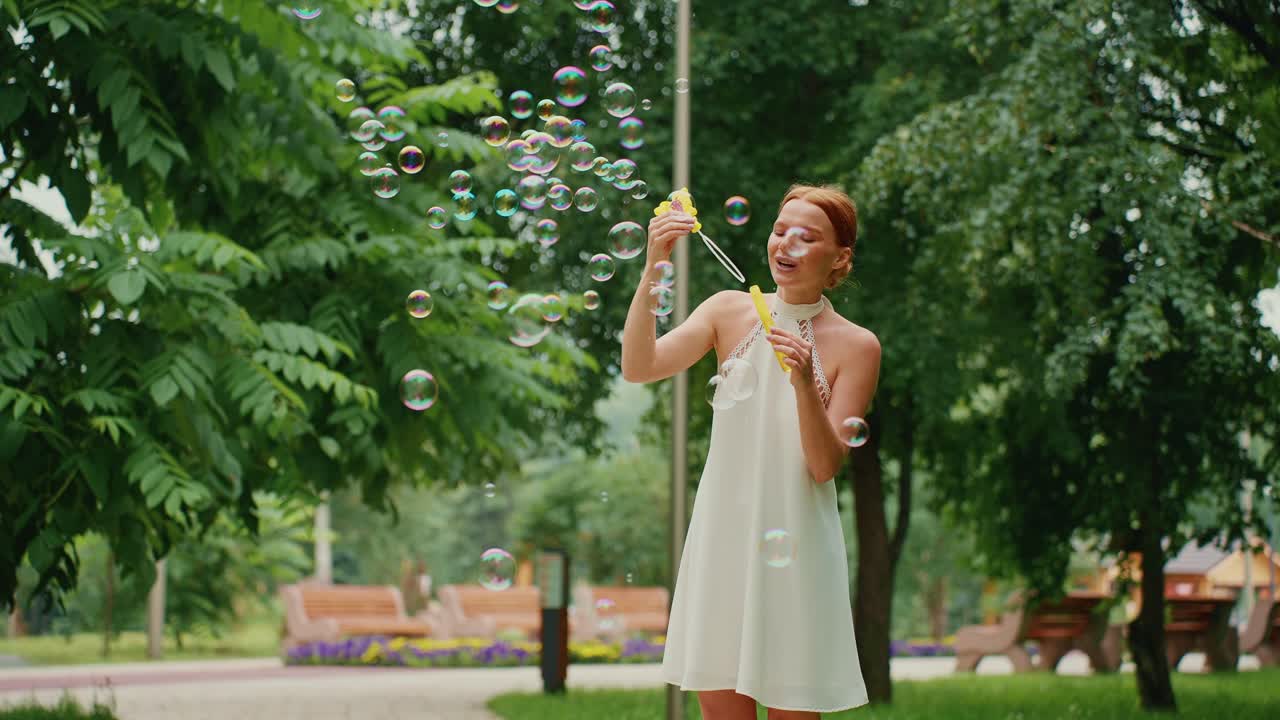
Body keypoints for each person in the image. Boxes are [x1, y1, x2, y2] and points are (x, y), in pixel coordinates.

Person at [622, 184, 880, 719]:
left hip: (797, 549)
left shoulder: (857, 345)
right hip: (725, 538)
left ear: (840, 257)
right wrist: (654, 267)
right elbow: (640, 366)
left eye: (807, 237)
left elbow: (824, 465)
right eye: (780, 230)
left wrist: (806, 382)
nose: (786, 244)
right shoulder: (727, 311)